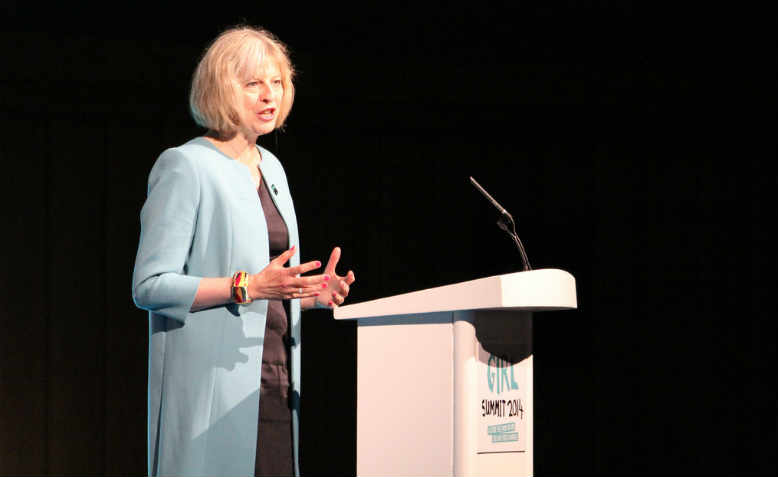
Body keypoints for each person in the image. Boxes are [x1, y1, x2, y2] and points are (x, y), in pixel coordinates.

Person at [132, 26, 355, 477]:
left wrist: (310, 293)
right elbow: (150, 286)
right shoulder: (186, 165)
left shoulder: (271, 167)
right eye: (253, 84)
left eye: (276, 83)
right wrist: (246, 286)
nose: (269, 96)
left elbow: (266, 288)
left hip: (272, 380)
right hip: (210, 391)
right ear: (221, 89)